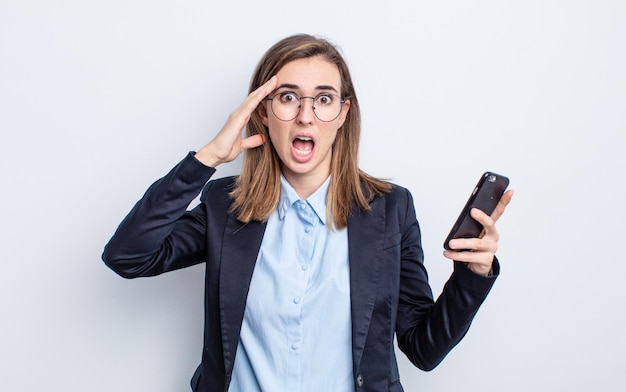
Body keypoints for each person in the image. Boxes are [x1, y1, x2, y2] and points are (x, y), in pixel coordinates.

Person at [102, 33, 513, 392]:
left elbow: (423, 349)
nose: (305, 115)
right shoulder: (225, 206)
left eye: (323, 99)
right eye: (287, 97)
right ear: (262, 112)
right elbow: (128, 256)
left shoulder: (390, 210)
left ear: (342, 115)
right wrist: (206, 159)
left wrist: (471, 277)